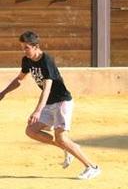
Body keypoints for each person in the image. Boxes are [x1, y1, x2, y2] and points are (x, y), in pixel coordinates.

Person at [0, 31, 101, 180]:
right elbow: (20, 79)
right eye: (22, 47)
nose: (24, 51)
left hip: (61, 102)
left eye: (26, 47)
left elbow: (47, 88)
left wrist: (37, 111)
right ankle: (67, 148)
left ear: (36, 46)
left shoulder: (47, 60)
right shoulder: (27, 60)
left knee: (61, 137)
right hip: (49, 103)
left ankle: (92, 167)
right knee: (31, 131)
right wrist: (4, 92)